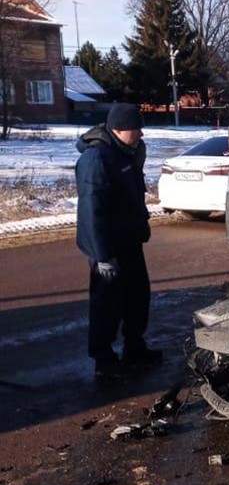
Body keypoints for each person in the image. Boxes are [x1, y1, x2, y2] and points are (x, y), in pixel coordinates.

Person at [75, 103, 159, 380]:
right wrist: (101, 256)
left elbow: (133, 195)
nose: (141, 134)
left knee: (137, 296)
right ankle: (104, 359)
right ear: (119, 129)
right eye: (136, 129)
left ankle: (135, 347)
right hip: (108, 246)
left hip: (129, 241)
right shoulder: (97, 159)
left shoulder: (126, 153)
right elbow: (91, 211)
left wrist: (141, 224)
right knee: (107, 303)